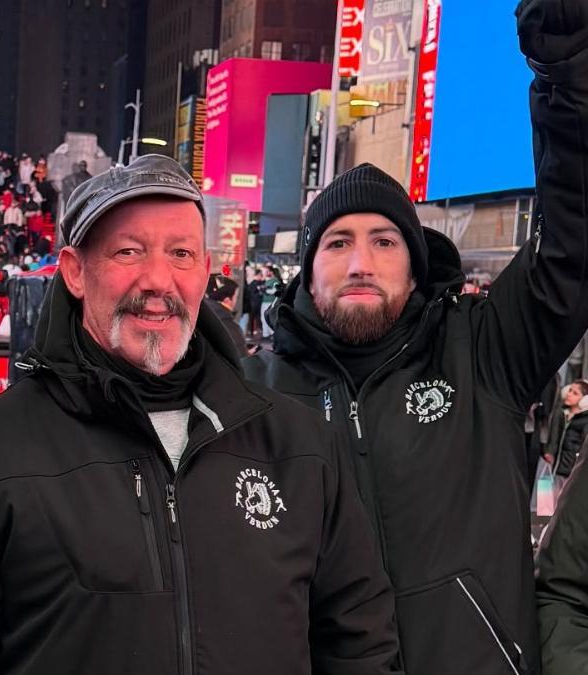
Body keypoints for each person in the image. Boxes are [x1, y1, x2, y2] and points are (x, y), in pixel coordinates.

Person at [0, 155, 402, 675]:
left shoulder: (300, 445)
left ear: (204, 273)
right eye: (129, 252)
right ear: (76, 272)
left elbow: (359, 641)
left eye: (181, 254)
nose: (158, 281)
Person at [244, 6, 588, 672]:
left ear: (415, 261)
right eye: (338, 243)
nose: (361, 262)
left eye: (384, 241)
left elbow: (571, 242)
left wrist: (567, 67)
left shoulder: (484, 350)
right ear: (306, 270)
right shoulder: (252, 391)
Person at [546, 380, 588, 494]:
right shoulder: (560, 413)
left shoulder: (584, 421)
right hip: (550, 466)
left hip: (567, 470)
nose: (569, 394)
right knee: (543, 505)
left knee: (559, 507)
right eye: (570, 390)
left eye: (575, 393)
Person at [204, 273, 247, 355]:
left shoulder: (199, 316)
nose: (236, 301)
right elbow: (241, 359)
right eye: (236, 297)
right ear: (227, 300)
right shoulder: (229, 326)